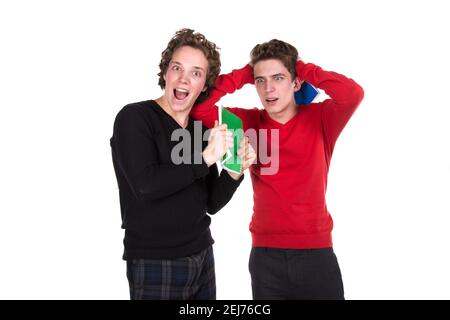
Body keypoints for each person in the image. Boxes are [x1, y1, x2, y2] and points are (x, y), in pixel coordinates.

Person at [190, 39, 364, 299]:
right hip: (265, 258)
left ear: (295, 82)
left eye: (278, 78)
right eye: (260, 80)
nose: (268, 89)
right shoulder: (247, 122)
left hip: (316, 255)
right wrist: (243, 75)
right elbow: (199, 109)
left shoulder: (321, 119)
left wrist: (301, 68)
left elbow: (353, 93)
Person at [110, 29, 256, 300]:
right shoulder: (134, 118)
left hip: (202, 254)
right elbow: (145, 185)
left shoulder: (200, 130)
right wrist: (205, 157)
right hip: (156, 260)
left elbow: (210, 202)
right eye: (177, 68)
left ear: (204, 85)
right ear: (166, 72)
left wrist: (234, 172)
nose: (184, 79)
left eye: (196, 73)